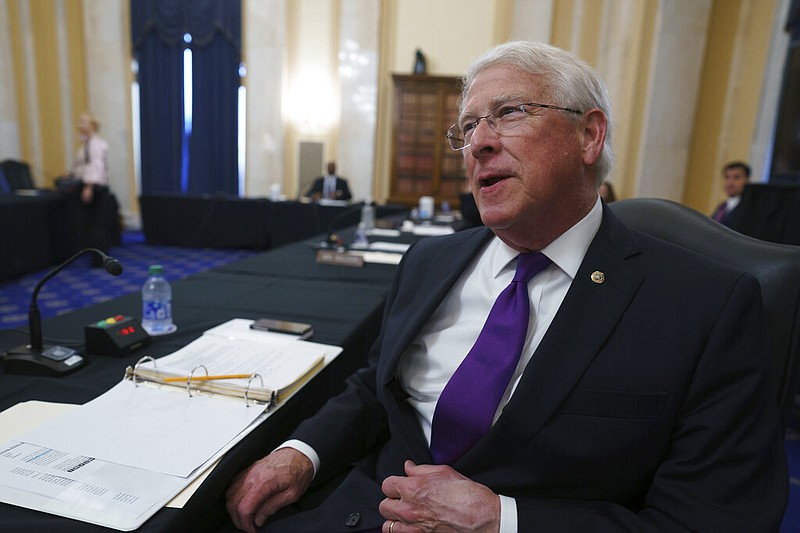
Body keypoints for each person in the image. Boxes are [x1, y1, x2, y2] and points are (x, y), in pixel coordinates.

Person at [225, 41, 787, 532]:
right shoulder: (429, 260)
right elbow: (379, 386)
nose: (478, 145)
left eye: (509, 113)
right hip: (357, 510)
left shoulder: (707, 307)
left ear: (589, 135)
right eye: (468, 127)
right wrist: (303, 452)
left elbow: (711, 519)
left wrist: (503, 520)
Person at [69, 112, 112, 263]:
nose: (79, 124)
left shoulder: (95, 144)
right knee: (93, 224)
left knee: (96, 224)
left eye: (83, 121)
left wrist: (88, 187)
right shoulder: (87, 143)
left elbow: (96, 166)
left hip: (95, 188)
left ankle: (99, 258)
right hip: (92, 186)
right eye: (78, 121)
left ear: (92, 125)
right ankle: (97, 256)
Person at [711, 160, 750, 228]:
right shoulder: (722, 207)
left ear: (747, 180)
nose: (730, 183)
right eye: (727, 177)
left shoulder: (749, 209)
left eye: (736, 177)